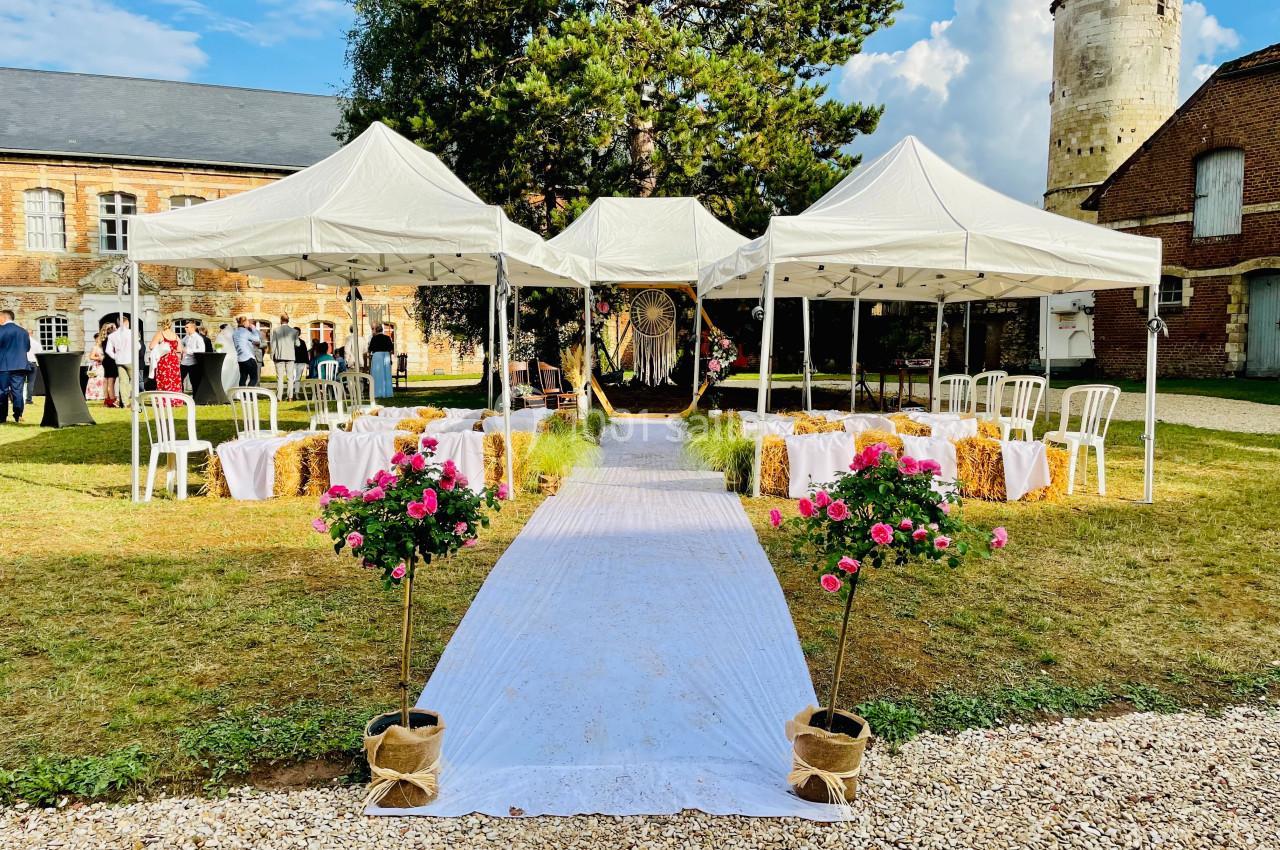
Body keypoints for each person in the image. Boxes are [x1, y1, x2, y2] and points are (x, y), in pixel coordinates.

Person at [0, 309, 32, 423]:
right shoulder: (23, 332)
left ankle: (2, 417)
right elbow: (27, 348)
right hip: (20, 366)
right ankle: (18, 415)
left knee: (2, 391)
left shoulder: (1, 330)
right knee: (17, 392)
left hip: (3, 366)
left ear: (3, 317)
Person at [105, 316, 134, 406]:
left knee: (123, 381)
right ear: (126, 322)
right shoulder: (131, 332)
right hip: (130, 359)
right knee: (134, 380)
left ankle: (125, 403)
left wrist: (115, 357)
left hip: (119, 360)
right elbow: (138, 347)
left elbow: (108, 350)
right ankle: (134, 401)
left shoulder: (112, 335)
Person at [269, 315, 300, 400]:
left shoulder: (276, 330)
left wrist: (272, 355)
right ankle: (290, 397)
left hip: (279, 356)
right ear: (288, 320)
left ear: (281, 320)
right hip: (290, 356)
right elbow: (298, 344)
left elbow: (273, 344)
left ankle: (279, 397)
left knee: (280, 378)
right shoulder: (294, 331)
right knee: (290, 378)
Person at [148, 323, 183, 395]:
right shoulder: (176, 336)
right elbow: (179, 349)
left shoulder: (160, 334)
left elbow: (151, 346)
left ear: (162, 325)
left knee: (163, 379)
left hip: (164, 360)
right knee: (174, 380)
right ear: (170, 325)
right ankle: (175, 400)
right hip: (174, 360)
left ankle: (164, 400)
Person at [232, 315, 262, 386]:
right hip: (249, 358)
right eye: (248, 322)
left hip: (240, 359)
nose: (249, 324)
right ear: (244, 323)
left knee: (243, 378)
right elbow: (257, 339)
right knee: (254, 378)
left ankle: (243, 395)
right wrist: (254, 329)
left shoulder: (235, 333)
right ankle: (249, 395)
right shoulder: (245, 332)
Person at [368, 323, 394, 399]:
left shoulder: (374, 338)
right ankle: (387, 393)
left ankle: (378, 393)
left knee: (377, 374)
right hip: (386, 355)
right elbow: (390, 349)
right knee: (386, 375)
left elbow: (370, 349)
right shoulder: (387, 338)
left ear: (376, 330)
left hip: (377, 356)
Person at [179, 320, 206, 392]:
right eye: (185, 327)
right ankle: (181, 397)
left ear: (192, 328)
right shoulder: (187, 337)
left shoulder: (198, 338)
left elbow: (202, 350)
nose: (185, 328)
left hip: (193, 363)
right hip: (184, 362)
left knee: (194, 382)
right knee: (179, 380)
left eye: (187, 327)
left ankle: (195, 399)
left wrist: (188, 351)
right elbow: (180, 343)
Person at [99, 321, 119, 407]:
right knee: (111, 381)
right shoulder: (112, 338)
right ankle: (112, 400)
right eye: (115, 328)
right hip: (111, 360)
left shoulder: (104, 339)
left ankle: (106, 400)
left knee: (106, 381)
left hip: (106, 360)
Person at [214, 322, 239, 392]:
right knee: (234, 374)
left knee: (225, 374)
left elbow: (218, 349)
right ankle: (235, 392)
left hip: (225, 358)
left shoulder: (220, 336)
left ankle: (224, 390)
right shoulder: (233, 335)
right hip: (234, 357)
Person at [86, 328, 106, 402]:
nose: (101, 340)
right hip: (97, 366)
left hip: (102, 366)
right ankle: (93, 395)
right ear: (96, 339)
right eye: (99, 338)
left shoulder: (102, 347)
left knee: (102, 380)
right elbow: (91, 357)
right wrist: (99, 358)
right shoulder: (95, 347)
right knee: (95, 380)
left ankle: (102, 394)